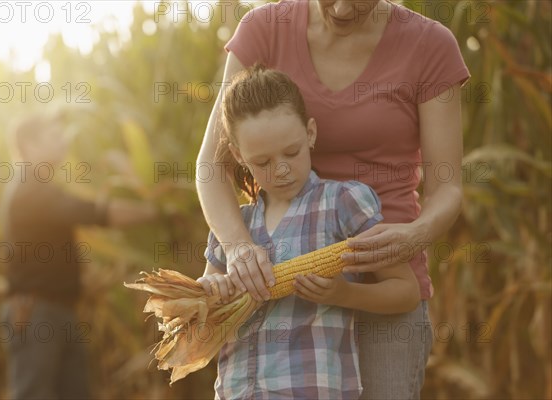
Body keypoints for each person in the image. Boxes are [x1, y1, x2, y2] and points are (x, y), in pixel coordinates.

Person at [196, 0, 470, 398]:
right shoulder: (264, 29)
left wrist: (417, 234)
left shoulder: (430, 45)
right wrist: (238, 248)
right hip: (283, 286)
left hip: (384, 283)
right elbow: (212, 165)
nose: (341, 9)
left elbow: (447, 185)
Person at [196, 65, 420, 399]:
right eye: (263, 162)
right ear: (238, 156)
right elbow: (204, 329)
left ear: (310, 133)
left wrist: (344, 295)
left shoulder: (341, 204)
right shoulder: (232, 229)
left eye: (292, 152)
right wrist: (210, 291)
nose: (282, 169)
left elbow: (406, 291)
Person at [0, 112, 157, 399]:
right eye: (53, 137)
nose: (62, 142)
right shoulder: (30, 190)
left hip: (57, 310)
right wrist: (157, 212)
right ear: (30, 146)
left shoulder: (41, 188)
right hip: (38, 313)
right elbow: (95, 213)